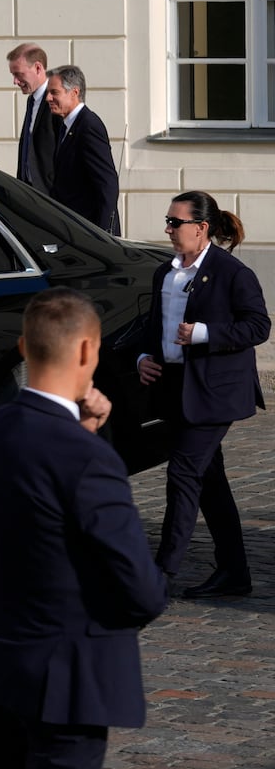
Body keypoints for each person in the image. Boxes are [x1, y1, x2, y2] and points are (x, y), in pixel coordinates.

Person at [0, 287, 168, 769]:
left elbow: (36, 514)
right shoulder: (88, 458)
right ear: (89, 353)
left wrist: (85, 431)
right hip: (63, 676)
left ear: (24, 347)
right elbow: (141, 589)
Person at [136, 191, 270, 598]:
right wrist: (144, 355)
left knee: (183, 474)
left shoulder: (232, 273)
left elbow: (258, 326)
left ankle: (161, 575)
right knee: (211, 482)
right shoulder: (165, 273)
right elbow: (153, 324)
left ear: (201, 228)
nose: (168, 229)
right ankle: (234, 572)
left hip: (216, 391)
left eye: (175, 223)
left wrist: (204, 333)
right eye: (168, 221)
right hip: (177, 388)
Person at [43, 66, 121, 235]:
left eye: (54, 92)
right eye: (48, 92)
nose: (48, 98)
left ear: (74, 92)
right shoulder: (64, 126)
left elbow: (107, 183)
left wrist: (104, 234)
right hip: (72, 228)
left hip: (90, 232)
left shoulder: (88, 126)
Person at [7, 43, 57, 195]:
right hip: (29, 194)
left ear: (38, 68)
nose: (15, 81)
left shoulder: (57, 100)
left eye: (19, 74)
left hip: (52, 198)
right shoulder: (32, 100)